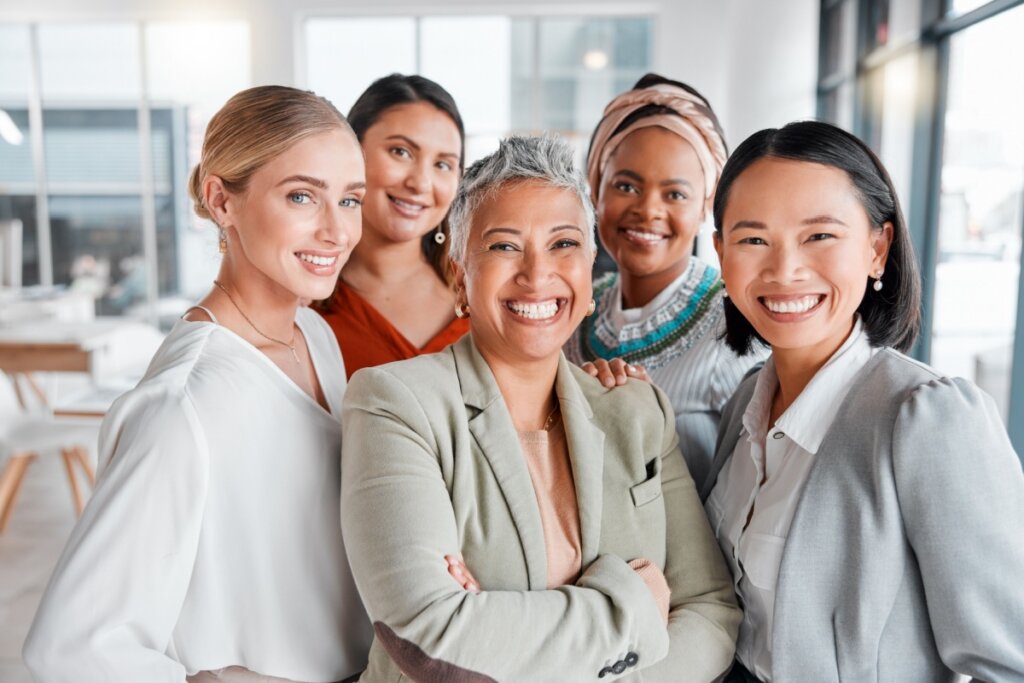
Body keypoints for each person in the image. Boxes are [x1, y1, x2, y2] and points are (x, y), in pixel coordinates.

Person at [341, 135, 740, 682]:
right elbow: (429, 636)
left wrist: (504, 634)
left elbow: (713, 610)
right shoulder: (396, 405)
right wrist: (635, 609)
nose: (537, 273)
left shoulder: (637, 411)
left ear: (590, 273)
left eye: (563, 244)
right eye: (505, 246)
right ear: (460, 277)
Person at [24, 86, 373, 682]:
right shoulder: (183, 404)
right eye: (301, 197)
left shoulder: (314, 335)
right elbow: (70, 649)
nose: (336, 231)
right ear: (221, 200)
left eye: (350, 200)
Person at [701, 120, 1024, 682]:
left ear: (878, 248)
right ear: (721, 253)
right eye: (754, 239)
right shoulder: (748, 398)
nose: (784, 270)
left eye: (819, 236)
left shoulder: (928, 418)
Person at [565, 74, 766, 491]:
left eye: (674, 194)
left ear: (706, 206)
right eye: (626, 186)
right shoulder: (574, 309)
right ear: (595, 189)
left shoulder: (736, 327)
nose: (647, 210)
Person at [318, 74, 468, 377]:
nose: (421, 183)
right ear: (351, 151)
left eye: (443, 164)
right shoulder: (304, 303)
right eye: (401, 152)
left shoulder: (481, 292)